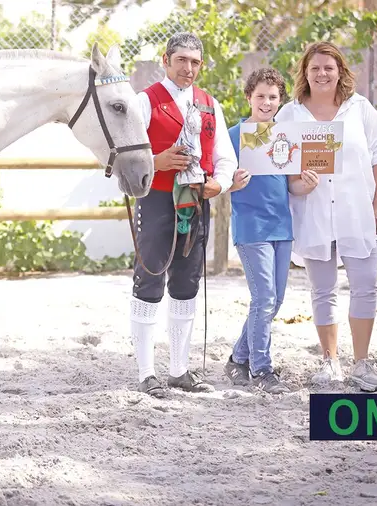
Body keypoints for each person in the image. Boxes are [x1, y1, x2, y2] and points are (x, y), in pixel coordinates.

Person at [275, 41, 377, 392]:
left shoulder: (359, 109)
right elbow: (279, 166)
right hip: (314, 213)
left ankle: (362, 363)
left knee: (364, 287)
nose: (322, 73)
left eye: (329, 67)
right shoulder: (290, 114)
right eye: (315, 68)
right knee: (323, 289)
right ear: (305, 74)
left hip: (356, 212)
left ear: (340, 70)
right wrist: (299, 186)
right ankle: (330, 361)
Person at [128, 32, 238, 398]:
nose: (188, 68)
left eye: (194, 62)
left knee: (186, 284)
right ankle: (146, 372)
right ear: (166, 59)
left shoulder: (209, 104)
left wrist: (219, 184)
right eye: (181, 60)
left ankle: (179, 370)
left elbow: (225, 157)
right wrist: (155, 162)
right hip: (157, 200)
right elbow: (123, 157)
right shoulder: (145, 101)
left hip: (195, 202)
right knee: (150, 281)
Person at [223, 67, 304, 394]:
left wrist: (305, 184)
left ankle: (237, 359)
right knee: (264, 297)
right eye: (260, 96)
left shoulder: (286, 135)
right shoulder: (233, 136)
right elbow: (218, 179)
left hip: (281, 226)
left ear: (280, 100)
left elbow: (292, 186)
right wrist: (232, 183)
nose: (267, 103)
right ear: (249, 98)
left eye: (273, 97)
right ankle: (262, 369)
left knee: (276, 300)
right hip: (251, 226)